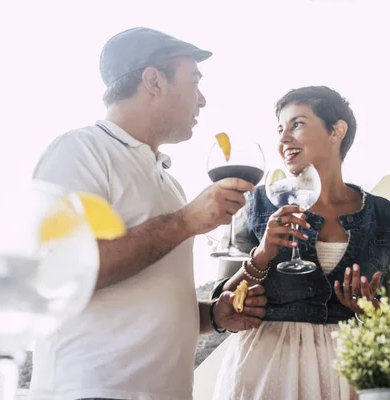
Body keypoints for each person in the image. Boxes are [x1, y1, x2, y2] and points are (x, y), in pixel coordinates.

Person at [29, 27, 267, 400]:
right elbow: (68, 272)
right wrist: (185, 222)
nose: (202, 99)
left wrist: (214, 316)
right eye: (194, 81)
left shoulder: (168, 182)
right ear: (154, 81)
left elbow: (152, 300)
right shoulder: (78, 151)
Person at [210, 86, 390, 400]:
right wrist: (262, 255)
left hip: (351, 374)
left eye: (297, 124)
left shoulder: (385, 215)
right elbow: (223, 303)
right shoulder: (254, 204)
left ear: (336, 131)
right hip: (266, 371)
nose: (283, 139)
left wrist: (370, 311)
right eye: (280, 129)